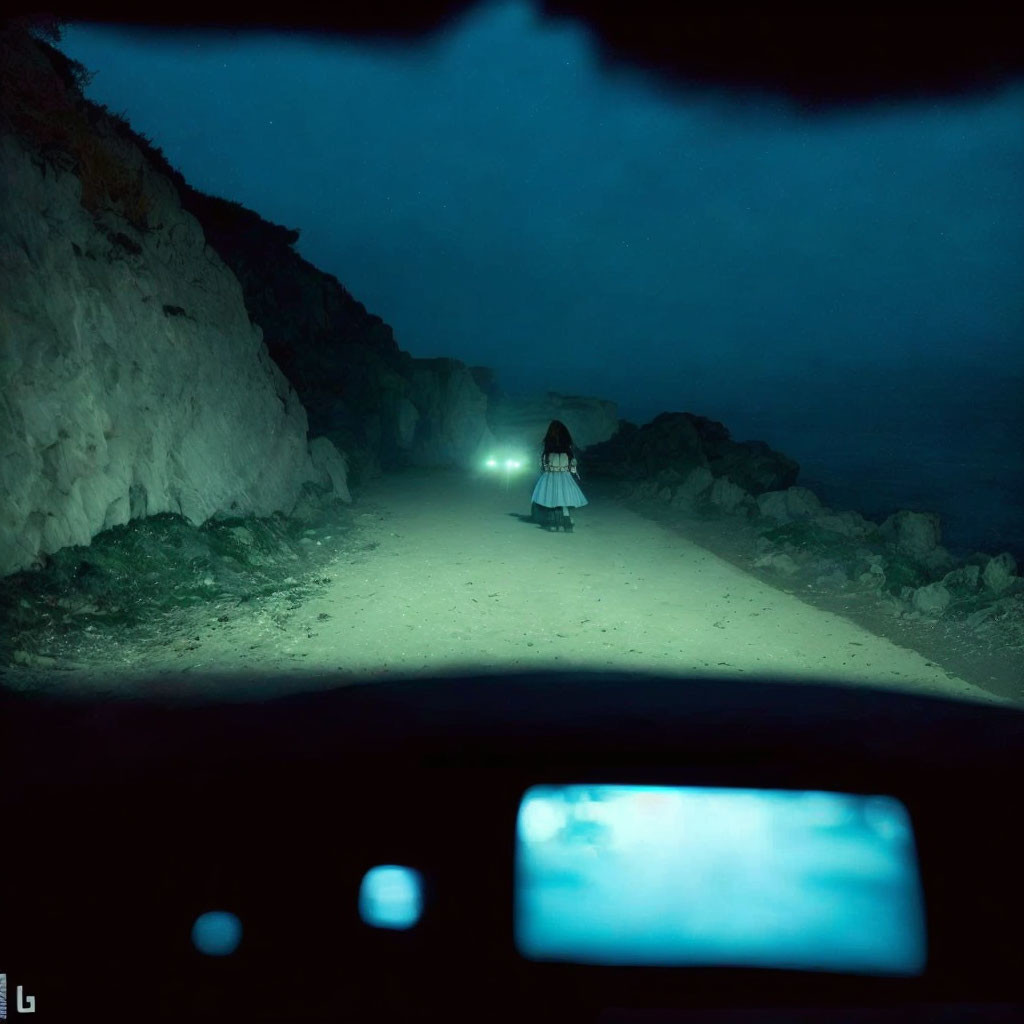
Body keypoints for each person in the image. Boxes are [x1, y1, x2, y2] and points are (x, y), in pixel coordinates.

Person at [530, 420, 588, 532]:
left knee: (552, 499)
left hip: (550, 475)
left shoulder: (547, 447)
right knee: (563, 500)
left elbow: (542, 464)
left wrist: (545, 469)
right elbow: (573, 464)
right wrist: (573, 472)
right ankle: (567, 523)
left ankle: (554, 523)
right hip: (564, 476)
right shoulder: (568, 448)